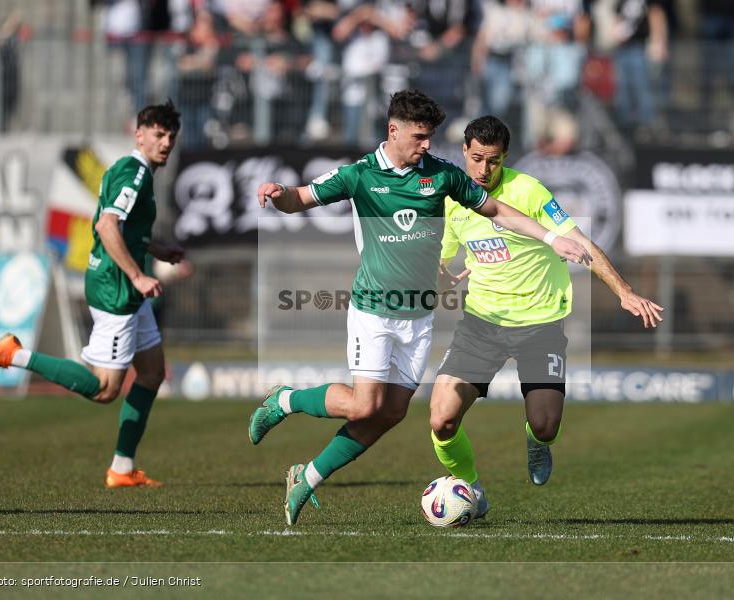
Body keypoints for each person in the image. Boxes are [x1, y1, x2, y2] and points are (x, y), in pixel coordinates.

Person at [249, 89, 593, 526]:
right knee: (363, 406)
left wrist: (550, 237)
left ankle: (307, 475)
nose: (427, 144)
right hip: (374, 310)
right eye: (419, 136)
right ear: (393, 130)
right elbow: (299, 198)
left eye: (430, 136)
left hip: (419, 317)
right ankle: (286, 400)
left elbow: (497, 210)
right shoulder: (359, 176)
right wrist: (277, 193)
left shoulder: (442, 175)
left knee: (391, 413)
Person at [430, 116, 663, 517]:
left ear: (505, 158)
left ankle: (536, 444)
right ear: (464, 153)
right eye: (478, 159)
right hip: (481, 324)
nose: (485, 170)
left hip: (539, 325)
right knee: (442, 420)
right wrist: (436, 274)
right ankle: (470, 486)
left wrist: (624, 291)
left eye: (494, 161)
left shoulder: (529, 191)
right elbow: (441, 258)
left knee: (545, 425)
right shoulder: (453, 199)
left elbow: (579, 241)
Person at [0, 100, 185, 489]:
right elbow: (107, 226)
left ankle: (122, 469)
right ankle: (12, 353)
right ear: (139, 134)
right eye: (158, 134)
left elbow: (124, 228)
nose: (166, 142)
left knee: (152, 372)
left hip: (121, 283)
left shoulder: (133, 172)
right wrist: (139, 276)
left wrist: (157, 249)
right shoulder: (134, 172)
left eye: (171, 135)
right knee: (105, 388)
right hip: (117, 287)